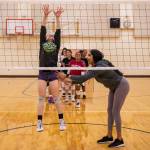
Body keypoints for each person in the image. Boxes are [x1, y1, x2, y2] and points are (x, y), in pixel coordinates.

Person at [58, 49, 130, 148]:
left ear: (94, 57)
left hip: (121, 85)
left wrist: (67, 76)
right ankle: (109, 136)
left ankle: (120, 139)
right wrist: (68, 80)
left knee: (115, 111)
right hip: (113, 87)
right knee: (110, 110)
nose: (87, 57)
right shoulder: (97, 65)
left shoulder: (99, 67)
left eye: (89, 55)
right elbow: (84, 77)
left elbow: (83, 78)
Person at [37, 4, 66, 132]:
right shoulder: (42, 44)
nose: (50, 36)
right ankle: (39, 123)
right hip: (43, 73)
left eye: (52, 36)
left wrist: (58, 18)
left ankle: (61, 122)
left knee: (56, 98)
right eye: (48, 35)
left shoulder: (56, 45)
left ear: (53, 39)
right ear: (45, 38)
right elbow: (42, 28)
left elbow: (58, 31)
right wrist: (45, 15)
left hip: (53, 74)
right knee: (41, 99)